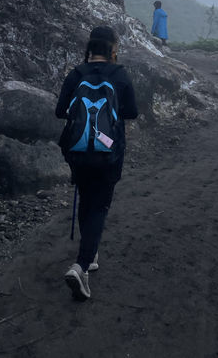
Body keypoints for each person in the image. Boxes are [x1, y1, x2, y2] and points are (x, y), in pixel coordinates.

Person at [56, 25, 138, 301]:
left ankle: (89, 256)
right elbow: (132, 112)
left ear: (89, 49)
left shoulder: (76, 74)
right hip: (108, 151)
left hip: (78, 152)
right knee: (100, 206)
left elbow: (60, 111)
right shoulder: (120, 74)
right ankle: (81, 266)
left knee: (86, 198)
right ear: (113, 50)